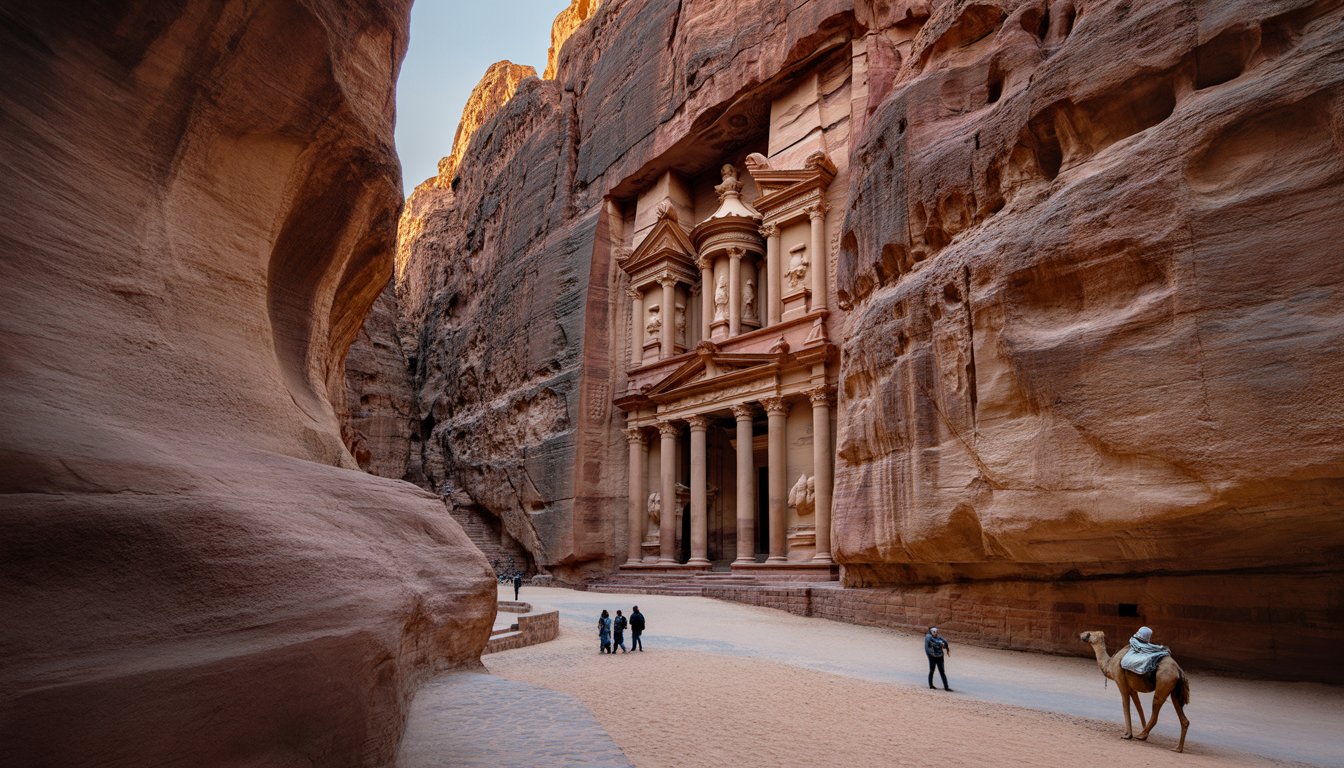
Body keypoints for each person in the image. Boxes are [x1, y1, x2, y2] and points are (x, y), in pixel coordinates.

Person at [925, 626, 951, 691]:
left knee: (942, 672)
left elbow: (945, 642)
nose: (935, 633)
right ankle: (931, 685)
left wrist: (947, 649)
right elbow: (934, 641)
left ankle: (946, 687)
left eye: (936, 632)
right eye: (934, 632)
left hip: (940, 656)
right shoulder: (928, 636)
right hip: (932, 656)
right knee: (932, 671)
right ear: (931, 631)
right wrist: (940, 643)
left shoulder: (938, 637)